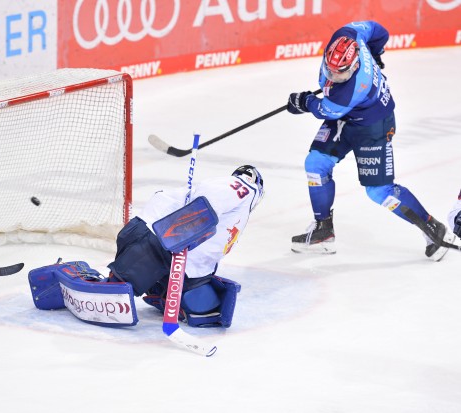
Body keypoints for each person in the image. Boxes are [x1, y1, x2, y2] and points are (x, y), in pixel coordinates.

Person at [285, 20, 454, 261]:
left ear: (354, 66)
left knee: (378, 191)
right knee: (315, 163)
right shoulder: (348, 34)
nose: (332, 75)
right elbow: (378, 29)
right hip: (349, 117)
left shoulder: (354, 88)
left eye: (339, 73)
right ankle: (323, 230)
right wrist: (376, 52)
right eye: (329, 68)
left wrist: (303, 102)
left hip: (372, 126)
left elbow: (324, 110)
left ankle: (433, 229)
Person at [106, 164, 264, 327]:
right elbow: (213, 194)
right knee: (116, 294)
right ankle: (116, 283)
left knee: (204, 307)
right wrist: (188, 224)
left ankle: (160, 288)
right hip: (156, 237)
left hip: (185, 264)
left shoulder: (237, 214)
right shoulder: (247, 187)